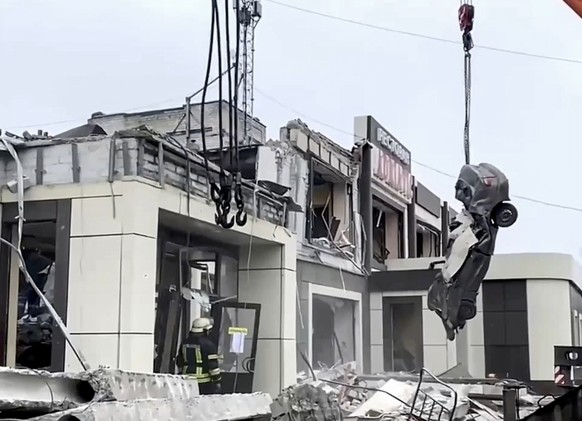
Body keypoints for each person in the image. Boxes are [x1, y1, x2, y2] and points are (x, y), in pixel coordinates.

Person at [176, 317, 222, 394]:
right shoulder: (208, 345)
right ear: (205, 330)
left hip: (186, 380)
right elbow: (212, 365)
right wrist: (217, 380)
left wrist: (181, 374)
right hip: (203, 382)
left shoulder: (185, 342)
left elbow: (179, 360)